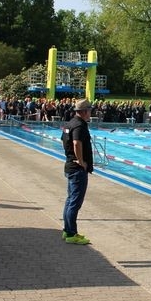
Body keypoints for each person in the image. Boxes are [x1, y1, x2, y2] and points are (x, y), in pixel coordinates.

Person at [61, 99, 94, 245]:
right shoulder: (79, 126)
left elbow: (64, 141)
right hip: (77, 170)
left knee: (70, 200)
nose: (90, 114)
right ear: (85, 111)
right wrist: (81, 162)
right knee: (75, 202)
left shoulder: (69, 124)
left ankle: (67, 230)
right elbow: (76, 143)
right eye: (90, 111)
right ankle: (72, 234)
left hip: (70, 166)